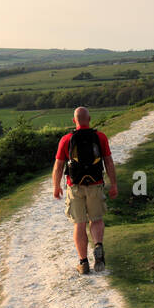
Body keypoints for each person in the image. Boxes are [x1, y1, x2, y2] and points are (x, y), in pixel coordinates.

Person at [52, 106, 118, 274]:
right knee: (96, 219)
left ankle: (83, 262)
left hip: (74, 186)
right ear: (89, 119)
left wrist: (56, 186)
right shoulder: (100, 137)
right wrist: (114, 184)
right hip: (95, 184)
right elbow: (109, 162)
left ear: (74, 121)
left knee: (79, 224)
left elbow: (58, 166)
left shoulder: (66, 139)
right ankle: (98, 246)